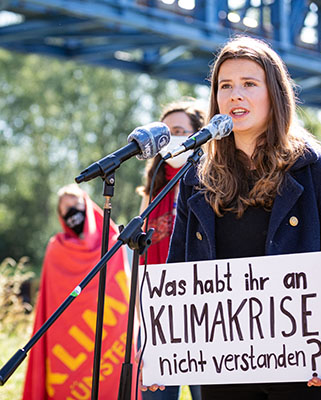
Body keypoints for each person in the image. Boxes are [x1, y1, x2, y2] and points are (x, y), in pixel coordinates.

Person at [165, 36, 321, 400]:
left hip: (305, 377)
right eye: (225, 86)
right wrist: (161, 347)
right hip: (225, 377)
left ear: (274, 94)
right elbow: (178, 280)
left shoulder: (317, 171)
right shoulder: (196, 179)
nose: (235, 96)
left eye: (249, 84)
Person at [23, 184, 141, 400]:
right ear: (60, 216)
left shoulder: (112, 240)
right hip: (69, 342)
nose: (71, 213)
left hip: (111, 336)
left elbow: (123, 286)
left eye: (75, 205)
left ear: (86, 205)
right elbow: (50, 302)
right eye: (64, 209)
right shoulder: (55, 249)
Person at [138, 100, 205, 400]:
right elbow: (140, 253)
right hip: (159, 314)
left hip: (206, 313)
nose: (172, 138)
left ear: (198, 134)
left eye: (179, 131)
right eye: (166, 133)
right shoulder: (154, 188)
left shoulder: (213, 183)